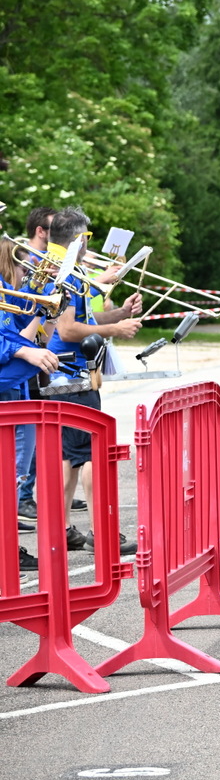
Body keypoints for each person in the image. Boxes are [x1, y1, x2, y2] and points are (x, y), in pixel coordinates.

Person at [46, 207, 143, 557]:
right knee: (90, 455)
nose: (89, 244)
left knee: (69, 457)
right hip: (71, 376)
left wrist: (119, 314)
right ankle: (101, 533)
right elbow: (67, 329)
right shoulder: (65, 272)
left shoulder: (65, 269)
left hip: (66, 375)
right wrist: (115, 329)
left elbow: (85, 317)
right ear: (78, 239)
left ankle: (61, 531)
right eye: (87, 237)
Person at [0, 236, 61, 571]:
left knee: (14, 476)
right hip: (6, 388)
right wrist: (23, 351)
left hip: (16, 390)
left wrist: (46, 307)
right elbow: (12, 341)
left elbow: (18, 329)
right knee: (9, 476)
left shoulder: (5, 288)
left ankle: (9, 548)